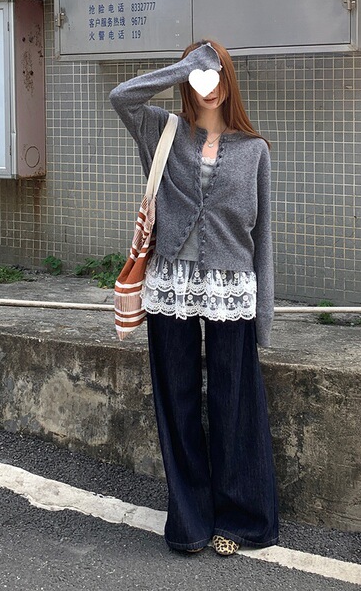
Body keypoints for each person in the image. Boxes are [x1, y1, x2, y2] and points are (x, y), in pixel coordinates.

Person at [109, 40, 278, 556]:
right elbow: (121, 96)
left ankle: (243, 519)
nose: (210, 85)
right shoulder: (162, 131)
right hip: (171, 286)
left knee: (234, 402)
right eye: (201, 76)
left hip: (231, 289)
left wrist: (264, 316)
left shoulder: (254, 150)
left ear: (230, 81)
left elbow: (263, 237)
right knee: (177, 401)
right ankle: (189, 521)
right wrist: (186, 66)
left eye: (217, 73)